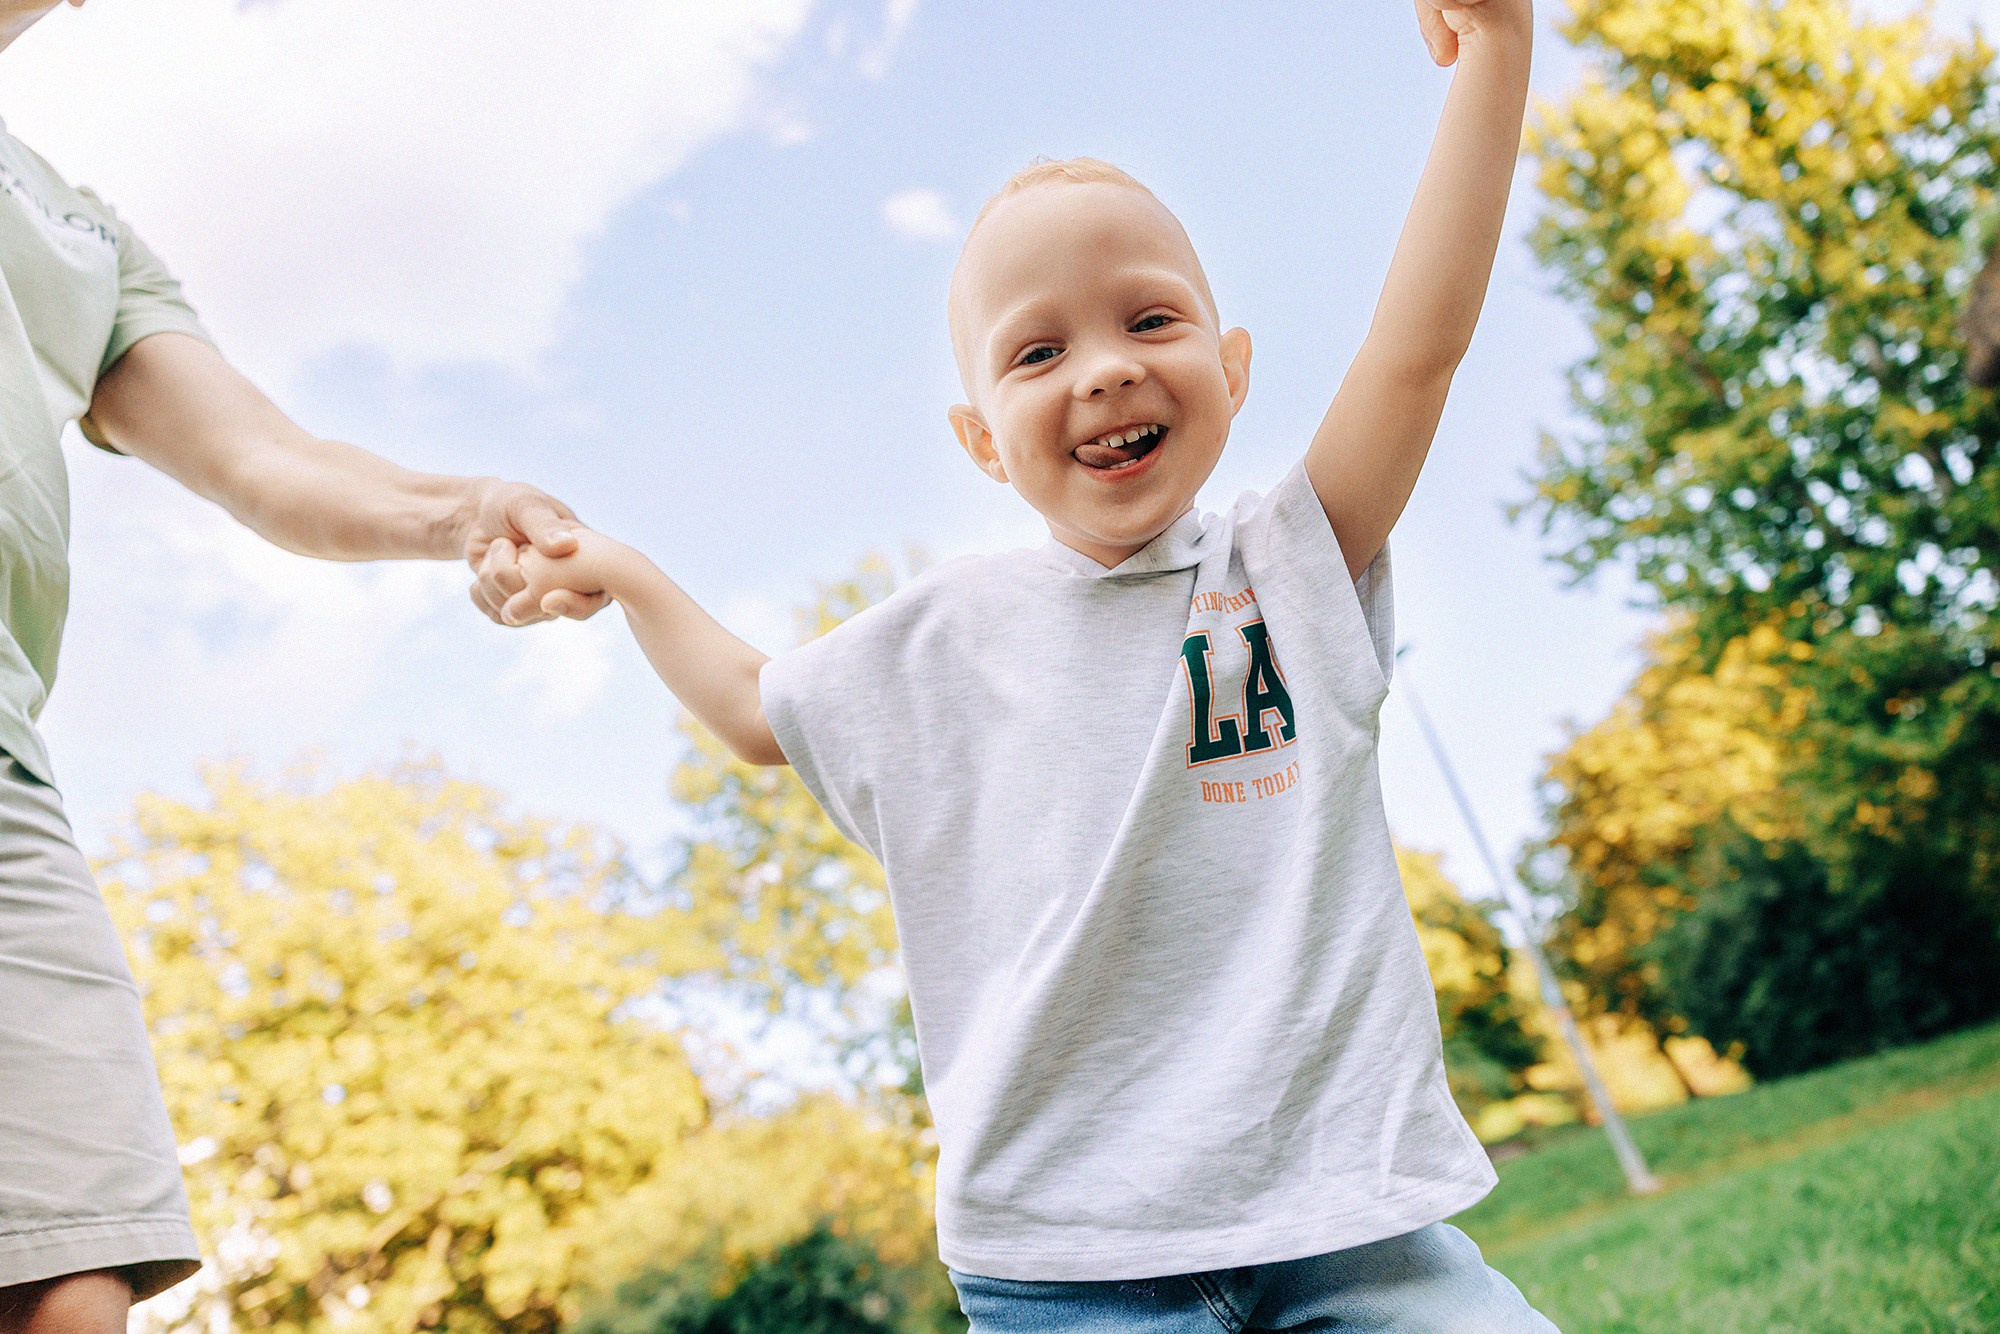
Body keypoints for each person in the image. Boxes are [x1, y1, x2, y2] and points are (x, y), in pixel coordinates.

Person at [509, 0, 1552, 1328]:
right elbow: (749, 708)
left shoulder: (1288, 565)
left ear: (1231, 370)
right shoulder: (936, 642)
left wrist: (1494, 61)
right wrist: (627, 574)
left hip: (1341, 1223)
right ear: (982, 438)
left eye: (1151, 321)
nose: (1106, 372)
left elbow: (1417, 352)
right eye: (1040, 350)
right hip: (1066, 1265)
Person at [0, 3, 603, 1330]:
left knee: (64, 1278)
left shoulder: (81, 235)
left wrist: (465, 510)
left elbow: (267, 460)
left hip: (2, 779)